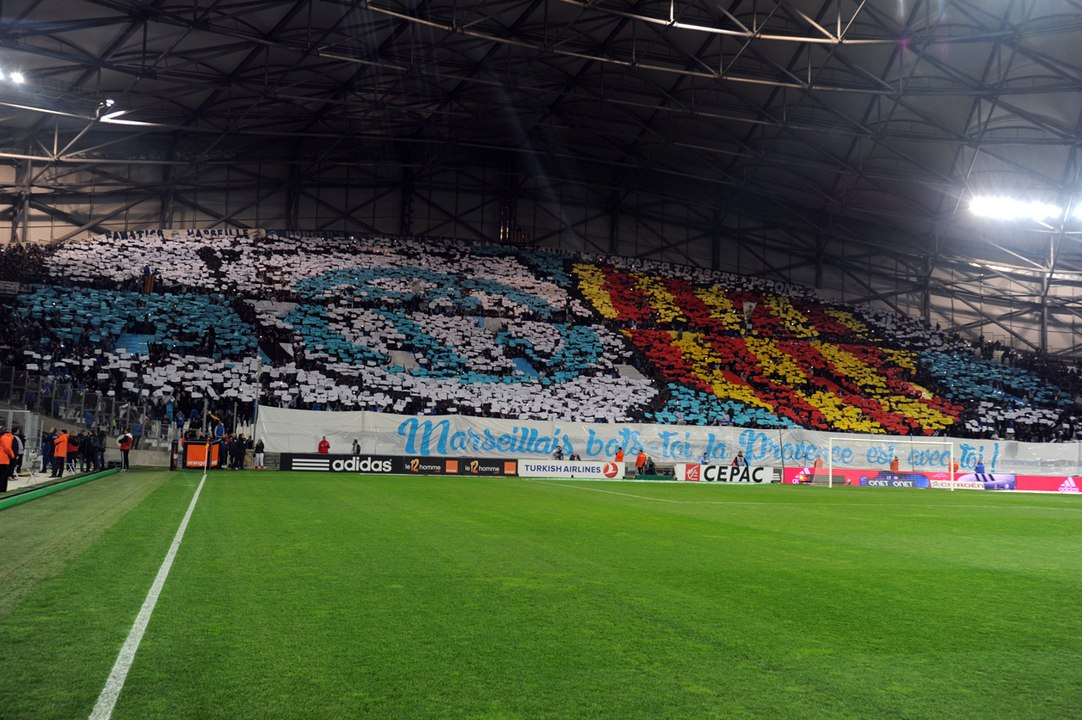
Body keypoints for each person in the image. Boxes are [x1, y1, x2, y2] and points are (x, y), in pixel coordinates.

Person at [0, 425, 14, 493]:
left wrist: (12, 455)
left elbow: (7, 448)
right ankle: (2, 490)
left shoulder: (4, 437)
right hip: (3, 459)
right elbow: (7, 448)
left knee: (3, 475)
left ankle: (2, 490)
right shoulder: (5, 437)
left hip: (3, 459)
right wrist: (12, 455)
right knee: (3, 476)